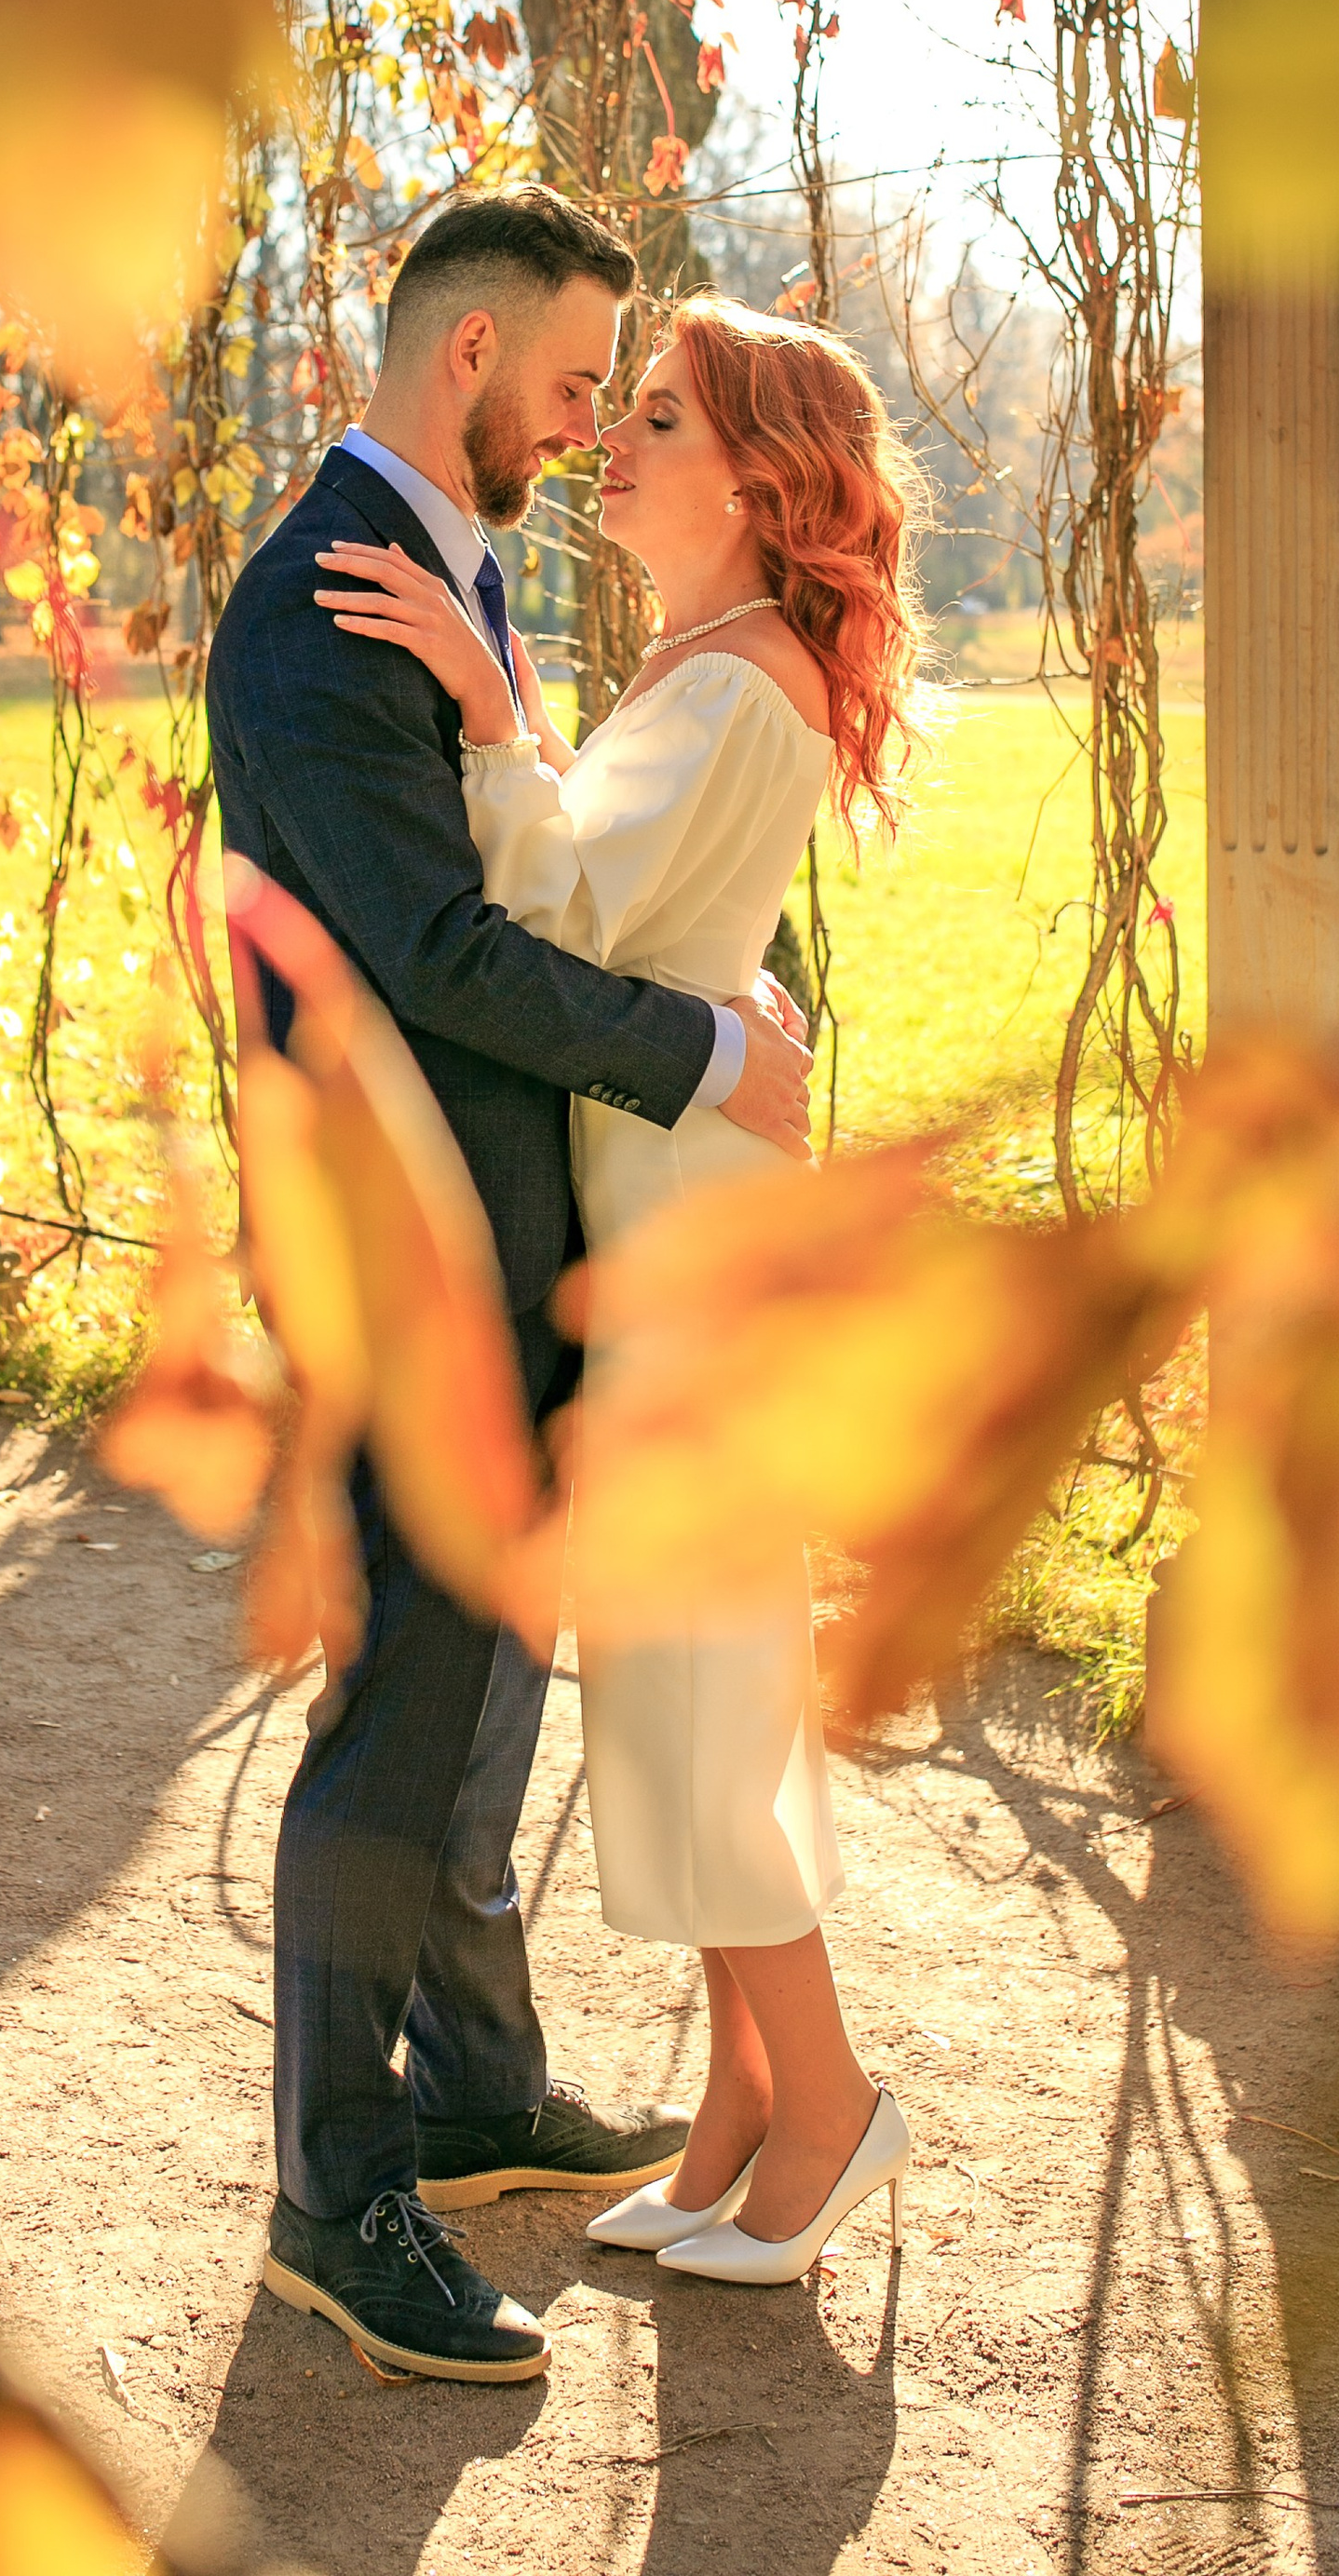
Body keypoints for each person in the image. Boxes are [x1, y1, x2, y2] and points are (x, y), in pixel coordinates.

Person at [207, 195, 818, 2384]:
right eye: (574, 388)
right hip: (401, 1251)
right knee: (399, 1718)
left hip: (510, 1242)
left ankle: (466, 2095)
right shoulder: (313, 615)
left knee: (485, 1689)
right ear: (463, 356)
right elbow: (444, 957)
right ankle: (330, 2192)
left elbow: (557, 853)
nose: (581, 434)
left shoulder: (443, 573)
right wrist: (710, 1057)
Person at [314, 288, 927, 2291]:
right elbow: (651, 916)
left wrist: (491, 721)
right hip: (673, 1205)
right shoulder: (722, 663)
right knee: (688, 1678)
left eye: (654, 418)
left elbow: (558, 906)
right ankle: (742, 2110)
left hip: (680, 1240)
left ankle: (825, 2107)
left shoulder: (734, 681)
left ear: (755, 482)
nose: (615, 446)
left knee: (689, 1684)